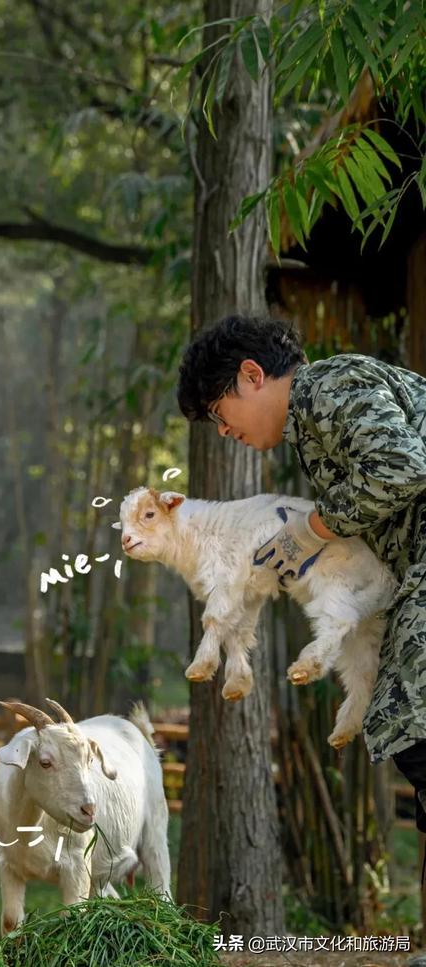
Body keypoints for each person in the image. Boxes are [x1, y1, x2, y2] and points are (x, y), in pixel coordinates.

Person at [177, 314, 426, 845]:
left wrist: (311, 529)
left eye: (220, 413)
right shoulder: (311, 421)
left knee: (411, 715)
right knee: (407, 722)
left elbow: (403, 467)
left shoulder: (329, 386)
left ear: (251, 375)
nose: (223, 431)